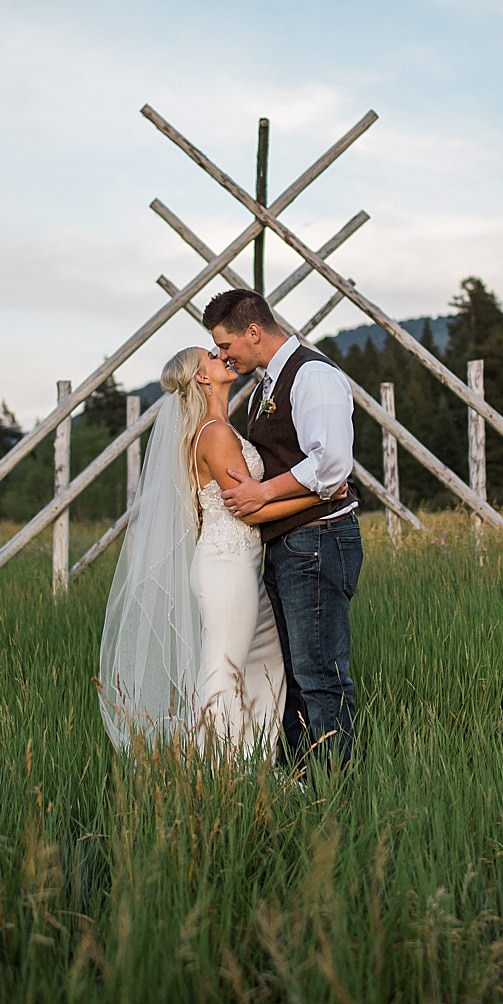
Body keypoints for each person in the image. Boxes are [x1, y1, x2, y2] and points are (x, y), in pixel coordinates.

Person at [96, 345, 334, 759]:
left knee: (266, 666)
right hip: (227, 569)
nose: (221, 355)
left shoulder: (220, 428)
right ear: (202, 377)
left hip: (240, 568)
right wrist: (320, 498)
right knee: (223, 673)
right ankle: (213, 770)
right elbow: (250, 507)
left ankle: (252, 762)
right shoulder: (216, 434)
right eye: (211, 354)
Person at [204, 289, 362, 775]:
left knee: (319, 674)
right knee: (294, 673)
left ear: (254, 332)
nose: (224, 355)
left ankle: (334, 783)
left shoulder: (311, 375)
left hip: (318, 538)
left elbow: (331, 462)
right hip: (292, 540)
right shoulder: (268, 384)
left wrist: (266, 493)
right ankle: (301, 776)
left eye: (226, 344)